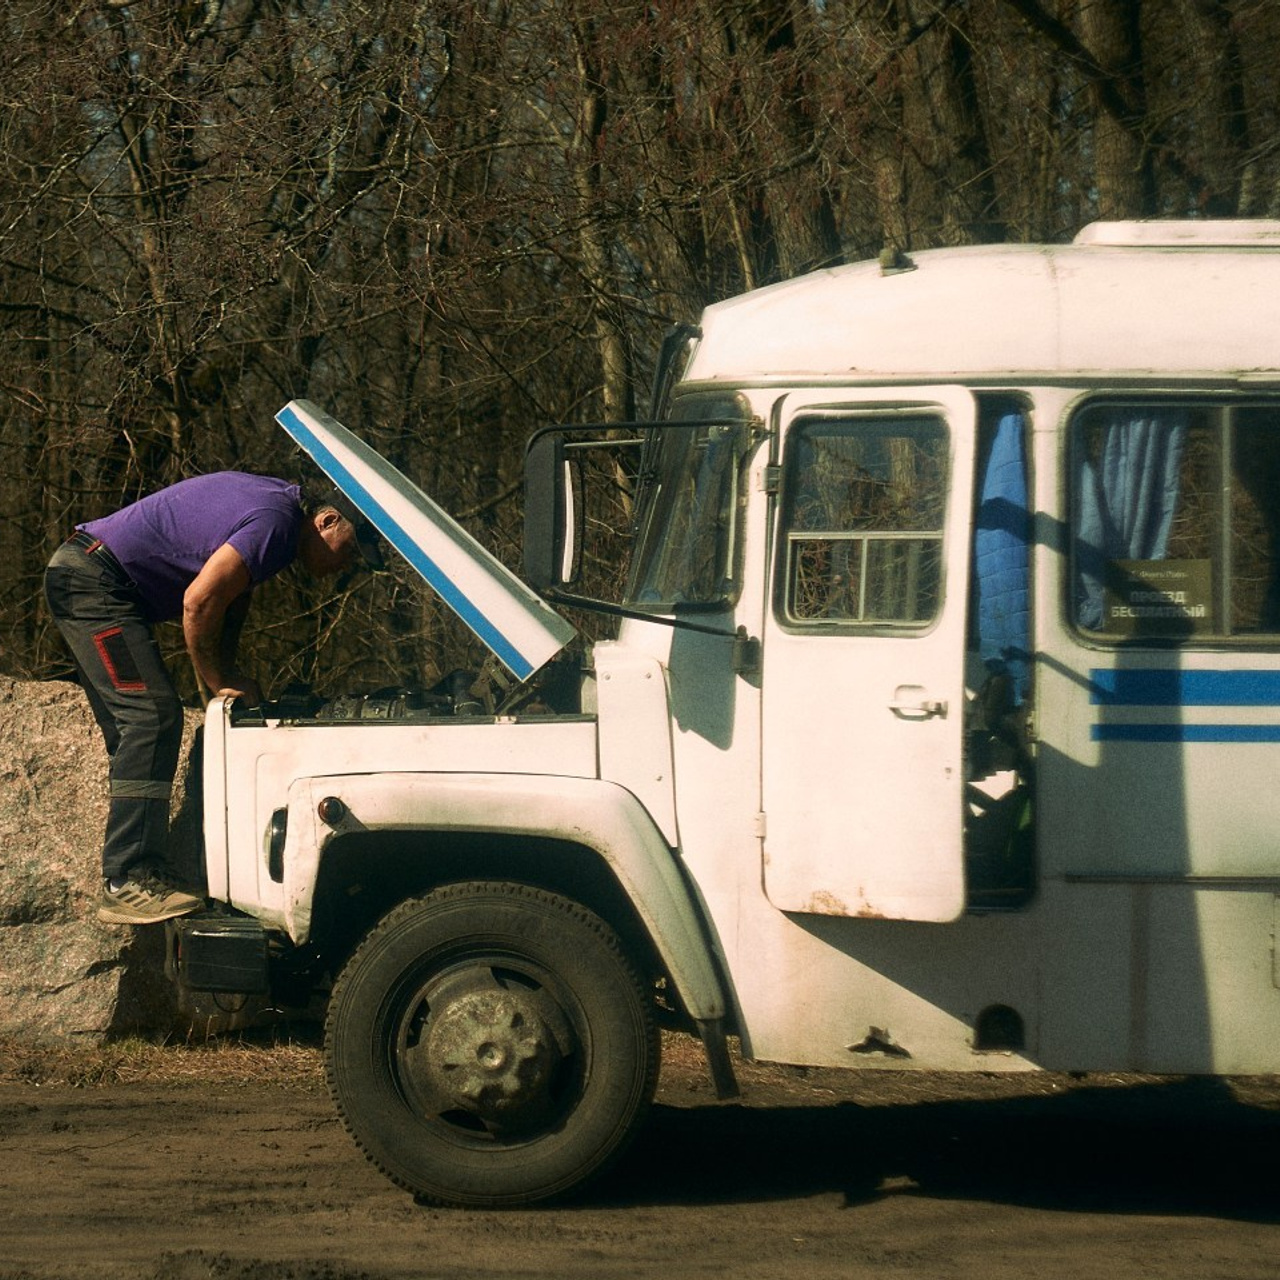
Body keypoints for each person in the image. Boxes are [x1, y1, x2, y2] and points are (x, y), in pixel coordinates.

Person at [44, 472, 384, 926]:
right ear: (326, 520)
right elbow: (200, 602)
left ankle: (137, 865)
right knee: (152, 717)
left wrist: (234, 676)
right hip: (92, 583)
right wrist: (219, 680)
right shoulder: (277, 522)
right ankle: (127, 878)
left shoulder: (275, 513)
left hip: (89, 575)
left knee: (135, 732)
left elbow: (228, 602)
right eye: (352, 551)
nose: (347, 566)